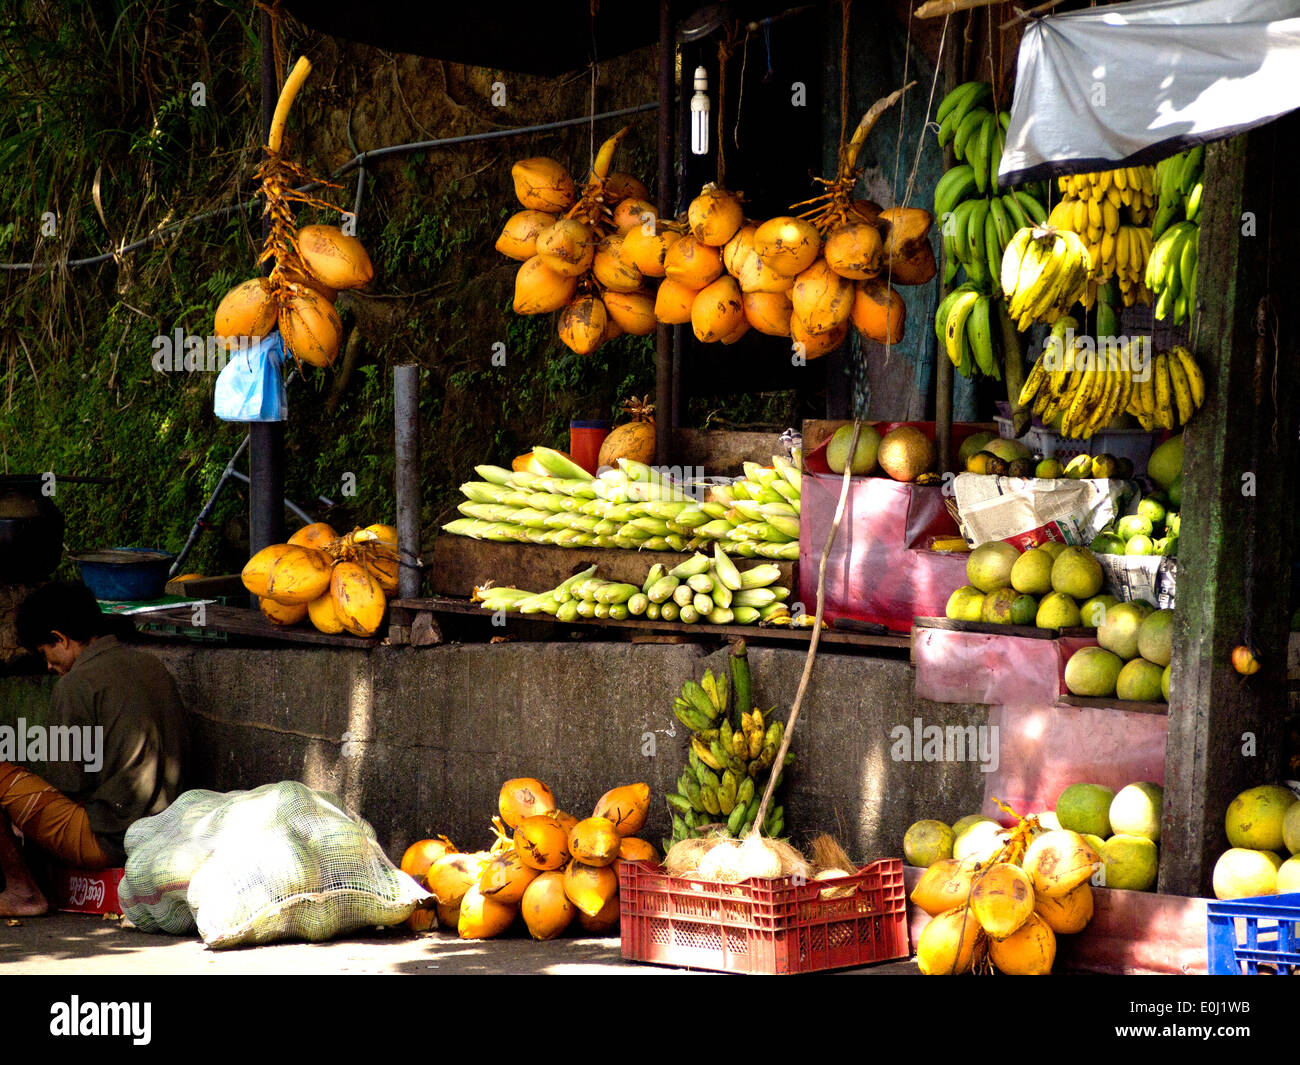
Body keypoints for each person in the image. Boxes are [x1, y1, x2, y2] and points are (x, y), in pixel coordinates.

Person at [0, 582, 187, 916]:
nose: (48, 666)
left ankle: (21, 892)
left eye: (46, 653)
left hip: (109, 840)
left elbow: (66, 786)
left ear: (61, 639)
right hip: (166, 830)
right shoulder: (151, 665)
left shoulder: (74, 685)